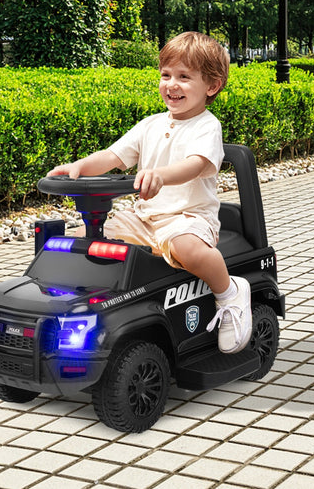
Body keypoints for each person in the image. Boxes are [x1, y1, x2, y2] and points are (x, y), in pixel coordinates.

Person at [47, 31, 252, 354]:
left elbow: (196, 165)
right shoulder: (150, 125)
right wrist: (79, 166)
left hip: (187, 217)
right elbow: (113, 157)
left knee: (189, 248)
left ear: (211, 86)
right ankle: (94, 308)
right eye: (166, 75)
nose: (171, 84)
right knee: (88, 242)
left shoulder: (206, 126)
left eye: (184, 77)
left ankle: (229, 292)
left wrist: (161, 175)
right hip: (143, 218)